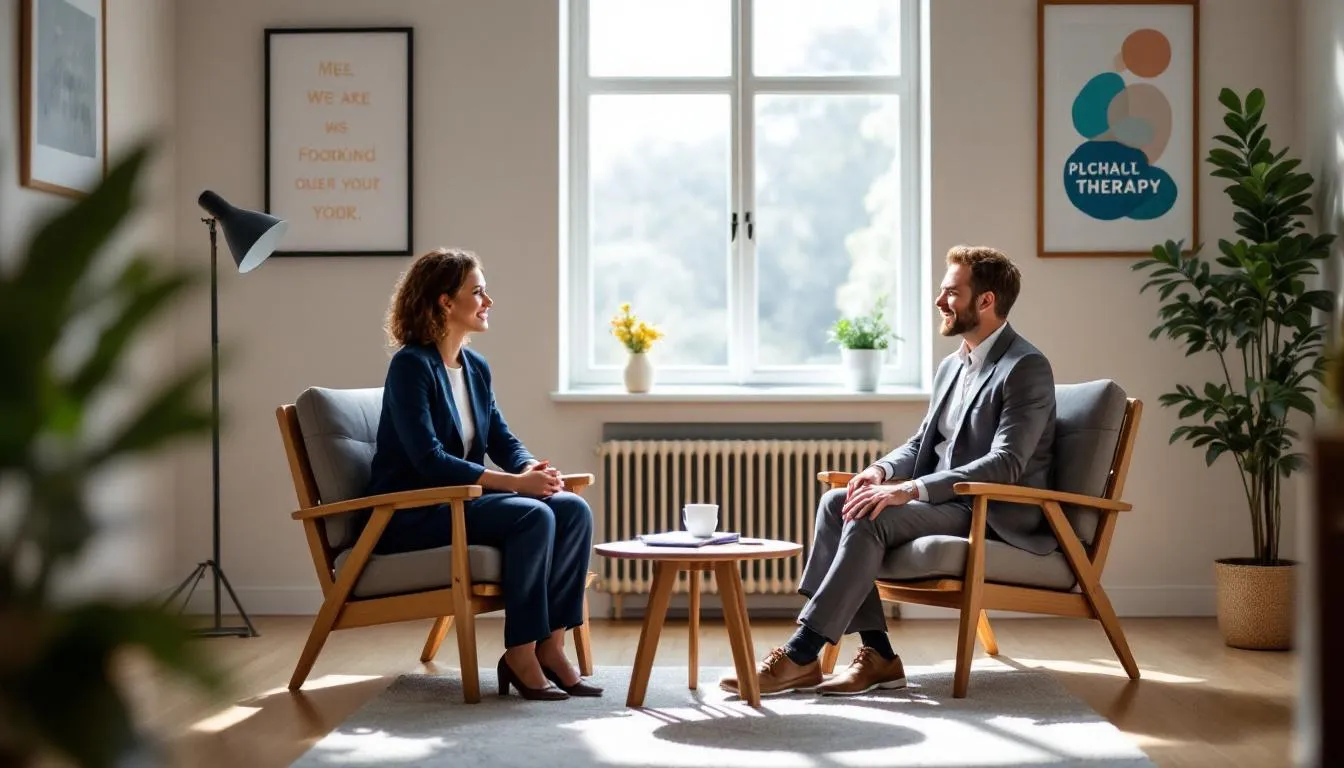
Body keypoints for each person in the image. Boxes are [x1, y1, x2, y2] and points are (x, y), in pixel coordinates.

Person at [721, 245, 1056, 697]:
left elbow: (1007, 463)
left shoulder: (1025, 367)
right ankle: (878, 654)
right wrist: (880, 472)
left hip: (989, 510)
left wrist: (912, 489)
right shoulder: (952, 365)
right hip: (948, 502)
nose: (940, 302)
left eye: (951, 293)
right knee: (838, 502)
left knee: (869, 516)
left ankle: (802, 654)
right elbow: (924, 442)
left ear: (986, 301)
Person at [365, 247, 601, 701]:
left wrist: (531, 469)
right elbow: (429, 461)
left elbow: (501, 438)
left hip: (460, 503)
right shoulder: (411, 367)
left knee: (570, 508)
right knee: (534, 516)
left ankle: (552, 646)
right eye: (478, 291)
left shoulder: (475, 368)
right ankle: (520, 652)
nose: (488, 300)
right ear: (444, 302)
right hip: (412, 513)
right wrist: (515, 485)